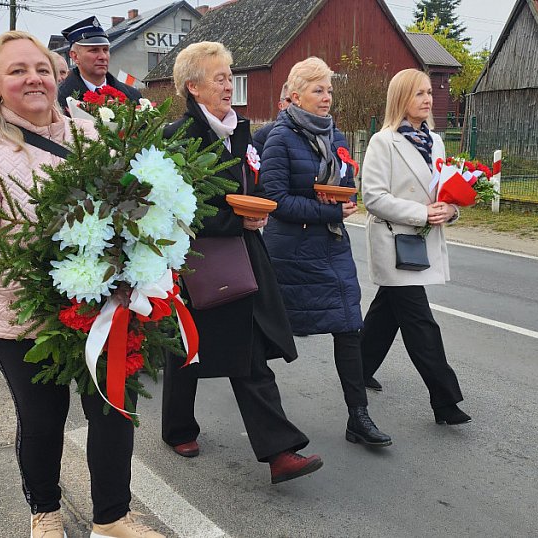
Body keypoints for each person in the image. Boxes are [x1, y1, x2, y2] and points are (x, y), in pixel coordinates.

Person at [0, 31, 163, 538]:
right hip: (21, 316)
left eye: (41, 68)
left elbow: (131, 207)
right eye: (16, 71)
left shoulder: (90, 136)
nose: (32, 78)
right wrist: (47, 261)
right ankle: (45, 511)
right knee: (43, 420)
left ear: (58, 75)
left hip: (100, 308)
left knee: (111, 411)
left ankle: (112, 518)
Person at [161, 41, 322, 485]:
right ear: (193, 87)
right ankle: (178, 428)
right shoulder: (178, 137)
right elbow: (176, 208)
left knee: (247, 350)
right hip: (200, 260)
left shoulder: (239, 132)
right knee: (186, 348)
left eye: (230, 77)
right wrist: (238, 220)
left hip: (245, 257)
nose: (229, 85)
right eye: (220, 78)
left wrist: (256, 212)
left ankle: (279, 451)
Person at [260, 57, 392, 448]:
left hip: (332, 245)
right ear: (295, 96)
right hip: (291, 250)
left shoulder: (336, 136)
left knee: (349, 325)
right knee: (270, 335)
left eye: (330, 90)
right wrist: (328, 210)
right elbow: (274, 199)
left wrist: (343, 197)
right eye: (319, 90)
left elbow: (345, 179)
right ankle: (256, 407)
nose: (327, 97)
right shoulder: (279, 137)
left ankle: (359, 416)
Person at [359, 68, 471, 426]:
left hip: (420, 241)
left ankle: (358, 369)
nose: (427, 99)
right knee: (421, 323)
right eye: (418, 93)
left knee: (385, 315)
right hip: (394, 241)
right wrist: (422, 213)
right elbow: (373, 197)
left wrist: (450, 210)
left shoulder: (435, 142)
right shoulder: (383, 141)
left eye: (428, 93)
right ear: (401, 99)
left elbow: (443, 190)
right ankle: (445, 401)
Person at [57, 16, 141, 110]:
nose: (103, 57)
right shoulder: (58, 98)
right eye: (94, 50)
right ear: (75, 56)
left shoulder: (132, 96)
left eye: (105, 50)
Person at [252, 82, 291, 155]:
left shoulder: (313, 132)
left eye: (297, 99)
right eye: (289, 100)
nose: (293, 104)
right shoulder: (263, 135)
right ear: (280, 105)